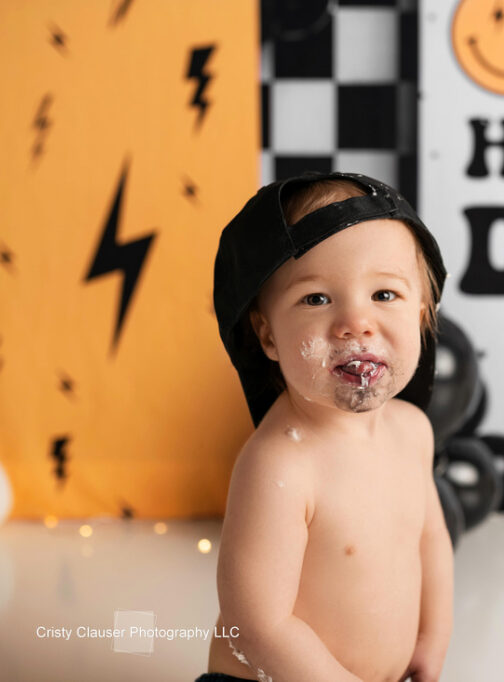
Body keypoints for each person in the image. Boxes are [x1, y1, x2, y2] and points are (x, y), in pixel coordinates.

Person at [199, 171, 454, 682]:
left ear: (422, 314)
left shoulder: (412, 431)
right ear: (268, 336)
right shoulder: (281, 465)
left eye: (384, 295)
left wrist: (430, 643)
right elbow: (257, 624)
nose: (355, 323)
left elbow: (430, 542)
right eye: (317, 298)